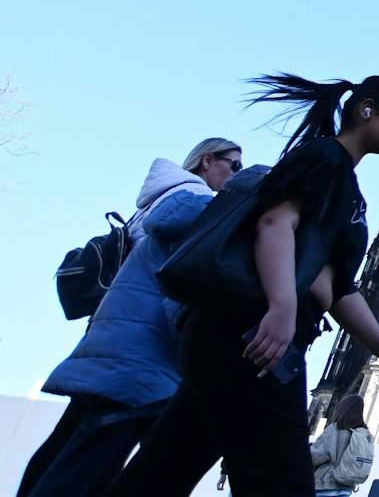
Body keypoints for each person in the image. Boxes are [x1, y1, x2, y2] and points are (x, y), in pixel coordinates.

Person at [104, 75, 379, 497]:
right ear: (366, 109)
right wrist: (281, 308)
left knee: (160, 474)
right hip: (254, 336)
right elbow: (275, 223)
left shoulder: (345, 183)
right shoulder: (323, 157)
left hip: (245, 335)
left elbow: (337, 286)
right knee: (282, 482)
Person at [18, 137, 242, 497]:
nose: (235, 176)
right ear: (206, 161)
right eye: (234, 165)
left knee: (73, 443)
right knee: (98, 453)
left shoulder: (157, 196)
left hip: (116, 327)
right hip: (141, 335)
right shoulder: (188, 195)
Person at [309, 394, 375, 496]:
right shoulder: (365, 434)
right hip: (346, 488)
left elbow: (316, 456)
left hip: (326, 485)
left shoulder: (335, 429)